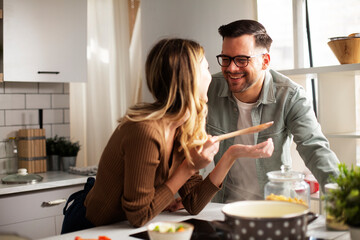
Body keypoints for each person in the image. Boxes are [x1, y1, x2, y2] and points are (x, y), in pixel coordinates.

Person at [61, 38, 274, 233]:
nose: (212, 75)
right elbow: (139, 215)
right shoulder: (145, 131)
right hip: (91, 227)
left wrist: (231, 155)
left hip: (123, 229)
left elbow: (193, 203)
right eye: (207, 68)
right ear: (188, 79)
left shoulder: (185, 128)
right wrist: (189, 167)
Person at [206, 19, 340, 203]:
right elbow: (185, 144)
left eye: (241, 60)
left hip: (275, 206)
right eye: (226, 59)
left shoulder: (291, 95)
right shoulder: (208, 88)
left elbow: (314, 148)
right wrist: (190, 192)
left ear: (265, 61)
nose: (231, 68)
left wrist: (344, 198)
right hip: (221, 207)